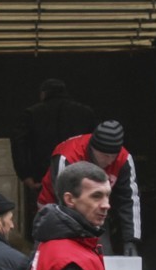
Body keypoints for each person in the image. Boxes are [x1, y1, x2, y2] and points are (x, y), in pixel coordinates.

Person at [37, 120, 141, 256]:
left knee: (103, 258)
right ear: (92, 148)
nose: (109, 161)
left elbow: (129, 200)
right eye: (104, 155)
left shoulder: (124, 159)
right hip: (55, 210)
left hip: (95, 212)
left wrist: (130, 240)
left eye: (113, 156)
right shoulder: (68, 156)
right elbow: (63, 200)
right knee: (58, 255)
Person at [9, 77, 97, 239]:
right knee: (82, 223)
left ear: (43, 94)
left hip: (42, 179)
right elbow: (94, 147)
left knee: (46, 224)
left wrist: (25, 175)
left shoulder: (31, 114)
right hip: (81, 178)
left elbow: (19, 143)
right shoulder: (85, 113)